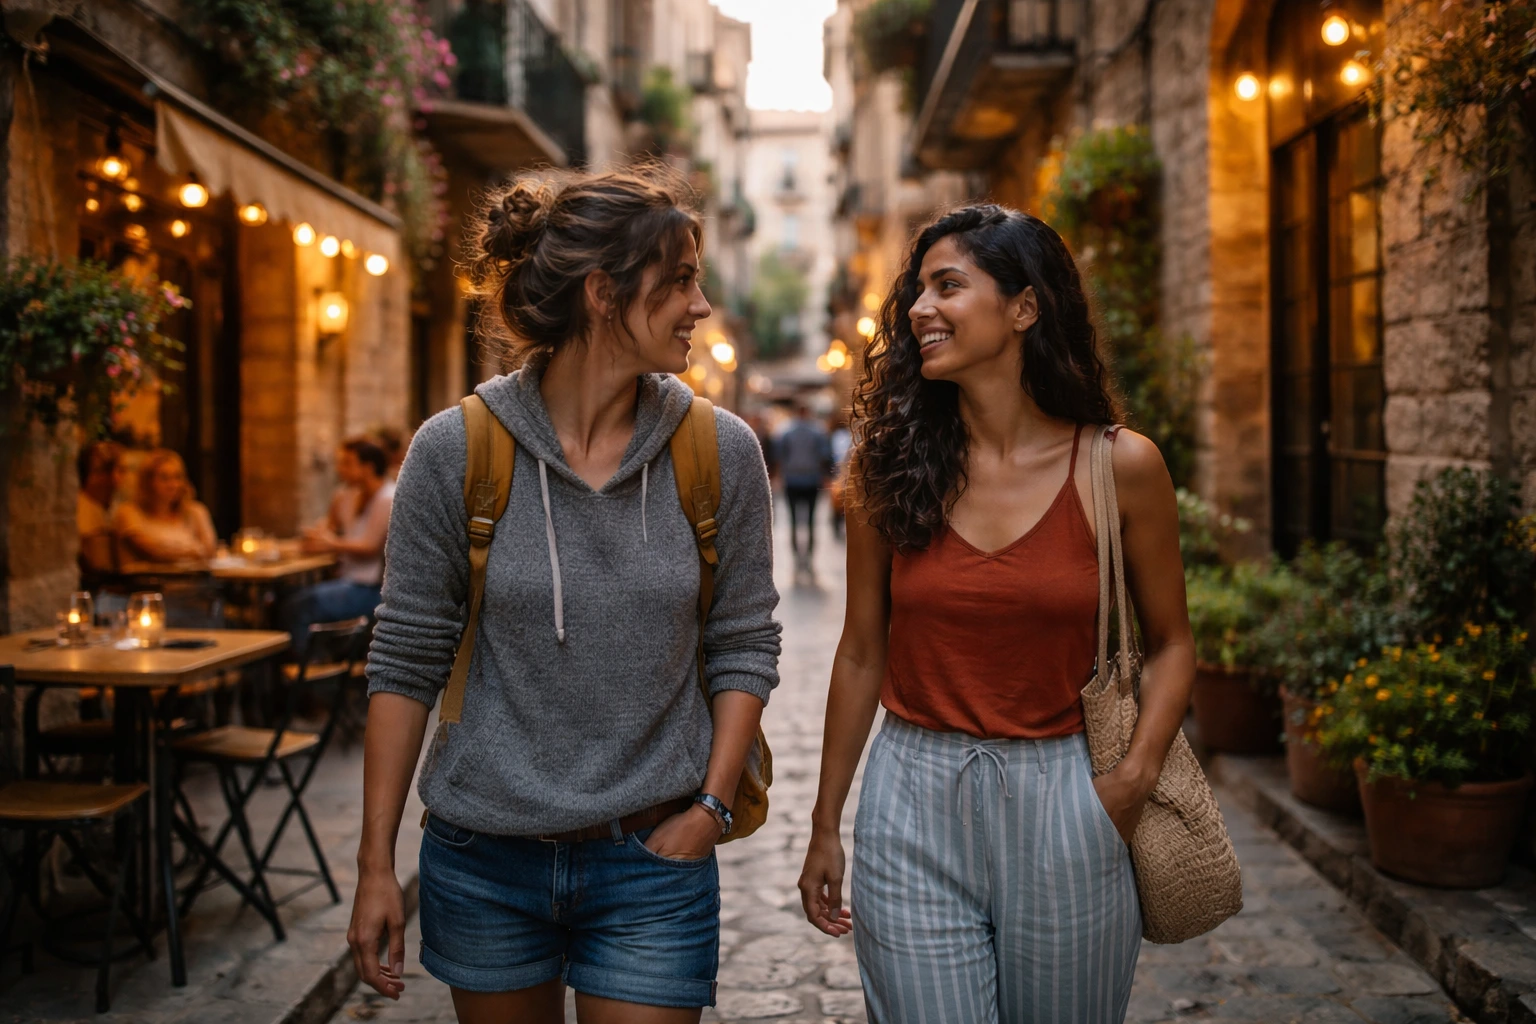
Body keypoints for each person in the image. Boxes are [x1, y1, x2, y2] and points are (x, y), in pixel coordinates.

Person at [347, 167, 782, 1024]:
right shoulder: (455, 449)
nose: (701, 306)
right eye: (681, 280)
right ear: (601, 293)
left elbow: (743, 642)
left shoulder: (718, 451)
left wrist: (711, 806)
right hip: (483, 858)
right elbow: (404, 663)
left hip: (651, 857)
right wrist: (372, 866)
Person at [797, 205, 1195, 1023]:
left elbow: (1173, 643)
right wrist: (827, 819)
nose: (918, 308)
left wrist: (1129, 782)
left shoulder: (1120, 465)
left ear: (1024, 306)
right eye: (917, 290)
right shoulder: (889, 466)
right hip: (912, 796)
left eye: (948, 286)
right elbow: (862, 652)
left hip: (1068, 795)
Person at [280, 436, 395, 657]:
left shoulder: (388, 497)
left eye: (347, 463)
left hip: (370, 588)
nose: (340, 469)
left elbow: (370, 547)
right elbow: (328, 528)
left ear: (368, 467)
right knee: (283, 596)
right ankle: (303, 665)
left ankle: (309, 675)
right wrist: (317, 536)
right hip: (344, 579)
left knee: (299, 606)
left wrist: (331, 544)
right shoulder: (346, 495)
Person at [112, 449, 218, 571]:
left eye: (177, 477)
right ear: (147, 482)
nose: (172, 485)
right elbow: (151, 552)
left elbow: (209, 551)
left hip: (194, 584)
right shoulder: (128, 512)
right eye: (164, 478)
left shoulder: (195, 511)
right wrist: (193, 552)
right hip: (147, 585)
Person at [774, 403, 832, 568]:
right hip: (811, 480)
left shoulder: (785, 431)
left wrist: (780, 476)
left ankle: (795, 555)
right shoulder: (817, 431)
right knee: (811, 520)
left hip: (792, 480)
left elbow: (780, 456)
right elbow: (824, 456)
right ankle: (809, 555)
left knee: (793, 520)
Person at [78, 441, 126, 580]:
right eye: (100, 471)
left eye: (121, 470)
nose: (113, 478)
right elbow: (98, 564)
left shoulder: (117, 505)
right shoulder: (81, 507)